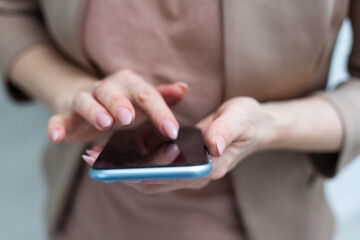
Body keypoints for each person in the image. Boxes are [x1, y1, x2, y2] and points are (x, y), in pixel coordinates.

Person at [1, 0, 359, 239]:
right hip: (90, 218)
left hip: (270, 223)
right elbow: (10, 13)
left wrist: (268, 125)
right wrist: (72, 92)